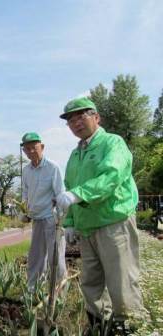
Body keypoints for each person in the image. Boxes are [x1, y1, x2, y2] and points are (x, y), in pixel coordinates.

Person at [56, 97, 144, 331]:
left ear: (96, 117)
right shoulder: (75, 155)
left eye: (80, 116)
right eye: (70, 120)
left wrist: (78, 194)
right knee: (91, 282)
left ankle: (128, 326)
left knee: (121, 280)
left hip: (113, 223)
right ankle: (99, 326)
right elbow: (69, 184)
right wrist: (71, 222)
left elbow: (112, 176)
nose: (75, 123)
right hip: (87, 228)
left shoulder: (112, 143)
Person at [20, 132, 66, 291]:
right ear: (24, 151)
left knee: (55, 257)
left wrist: (61, 221)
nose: (31, 151)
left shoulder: (52, 168)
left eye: (34, 147)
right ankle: (33, 289)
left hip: (52, 219)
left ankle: (59, 291)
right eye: (27, 149)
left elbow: (60, 194)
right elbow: (25, 193)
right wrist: (24, 211)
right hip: (36, 219)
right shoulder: (26, 171)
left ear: (42, 147)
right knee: (35, 257)